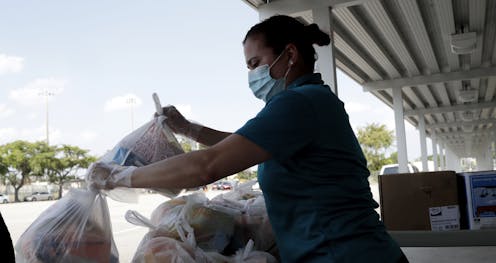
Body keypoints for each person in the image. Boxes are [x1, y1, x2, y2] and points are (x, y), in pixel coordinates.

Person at [89, 15, 408, 262]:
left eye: (255, 64)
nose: (251, 75)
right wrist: (190, 129)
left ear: (290, 54)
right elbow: (241, 144)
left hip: (344, 254)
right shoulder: (309, 102)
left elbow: (208, 167)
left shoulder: (298, 103)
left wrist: (121, 176)